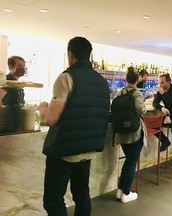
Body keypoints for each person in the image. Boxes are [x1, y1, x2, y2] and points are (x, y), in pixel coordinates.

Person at [42, 37, 110, 216]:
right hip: (88, 147)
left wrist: (43, 108)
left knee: (53, 198)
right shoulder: (101, 81)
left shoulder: (66, 77)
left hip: (64, 149)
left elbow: (51, 119)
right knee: (81, 194)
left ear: (70, 54)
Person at [114, 67, 146, 203]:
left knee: (129, 159)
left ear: (126, 79)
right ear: (137, 80)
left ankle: (121, 189)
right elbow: (141, 110)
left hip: (121, 131)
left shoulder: (120, 92)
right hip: (134, 132)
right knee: (132, 161)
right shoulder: (137, 93)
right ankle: (126, 193)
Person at [0, 56, 26, 132]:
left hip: (15, 120)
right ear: (10, 67)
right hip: (8, 123)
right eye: (19, 66)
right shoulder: (8, 80)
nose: (22, 68)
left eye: (23, 66)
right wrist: (3, 117)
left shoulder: (17, 82)